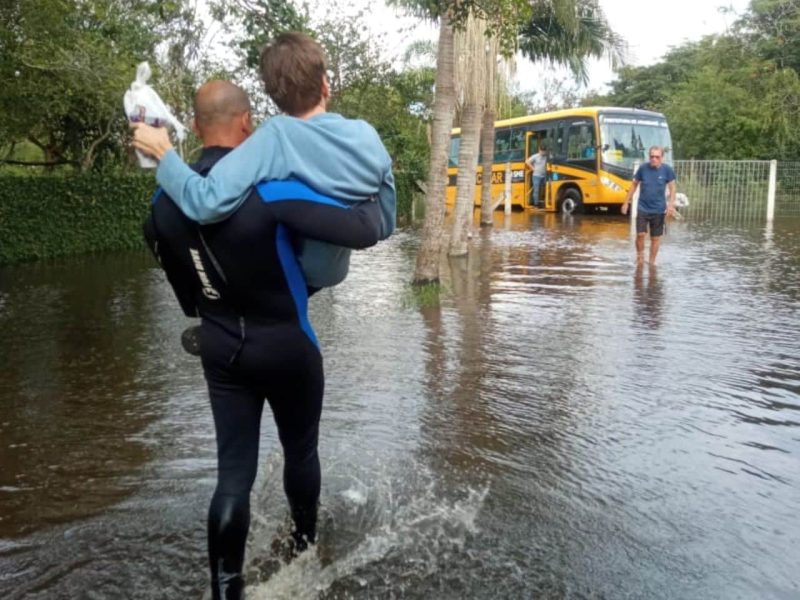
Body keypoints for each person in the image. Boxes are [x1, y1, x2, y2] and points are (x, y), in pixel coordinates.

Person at [144, 80, 384, 600]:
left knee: (232, 477)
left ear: (196, 122)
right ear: (247, 123)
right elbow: (360, 230)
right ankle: (303, 553)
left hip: (221, 349)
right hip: (287, 347)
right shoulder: (270, 190)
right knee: (301, 453)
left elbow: (187, 292)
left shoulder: (163, 203)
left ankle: (225, 588)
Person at [132, 32, 395, 289]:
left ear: (274, 97)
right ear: (325, 85)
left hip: (293, 275)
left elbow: (206, 202)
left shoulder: (275, 137)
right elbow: (385, 221)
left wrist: (163, 154)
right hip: (334, 270)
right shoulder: (366, 134)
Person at [621, 146, 676, 265]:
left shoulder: (667, 170)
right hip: (643, 207)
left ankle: (652, 262)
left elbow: (672, 188)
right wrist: (626, 202)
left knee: (655, 238)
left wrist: (670, 205)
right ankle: (640, 257)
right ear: (649, 156)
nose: (654, 159)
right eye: (652, 156)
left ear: (662, 158)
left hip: (659, 209)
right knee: (640, 235)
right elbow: (634, 185)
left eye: (657, 157)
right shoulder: (642, 169)